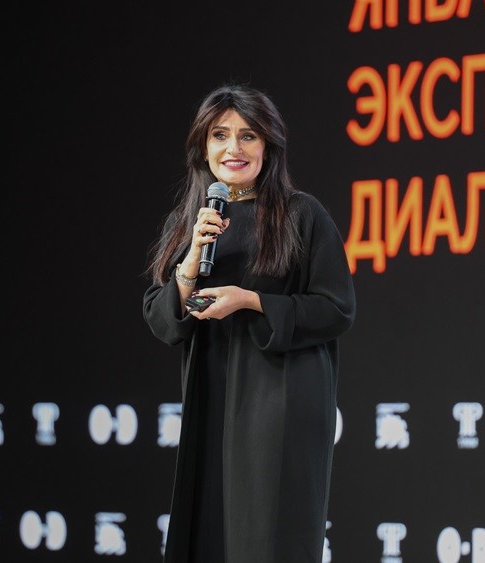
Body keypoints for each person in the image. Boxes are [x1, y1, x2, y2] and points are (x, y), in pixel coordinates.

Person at [142, 83, 356, 563]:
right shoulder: (190, 222)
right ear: (203, 147)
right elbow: (162, 320)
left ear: (269, 146)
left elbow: (336, 308)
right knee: (208, 533)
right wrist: (191, 261)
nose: (233, 148)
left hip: (278, 408)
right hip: (211, 400)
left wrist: (252, 301)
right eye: (219, 135)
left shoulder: (301, 215)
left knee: (266, 539)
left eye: (248, 136)